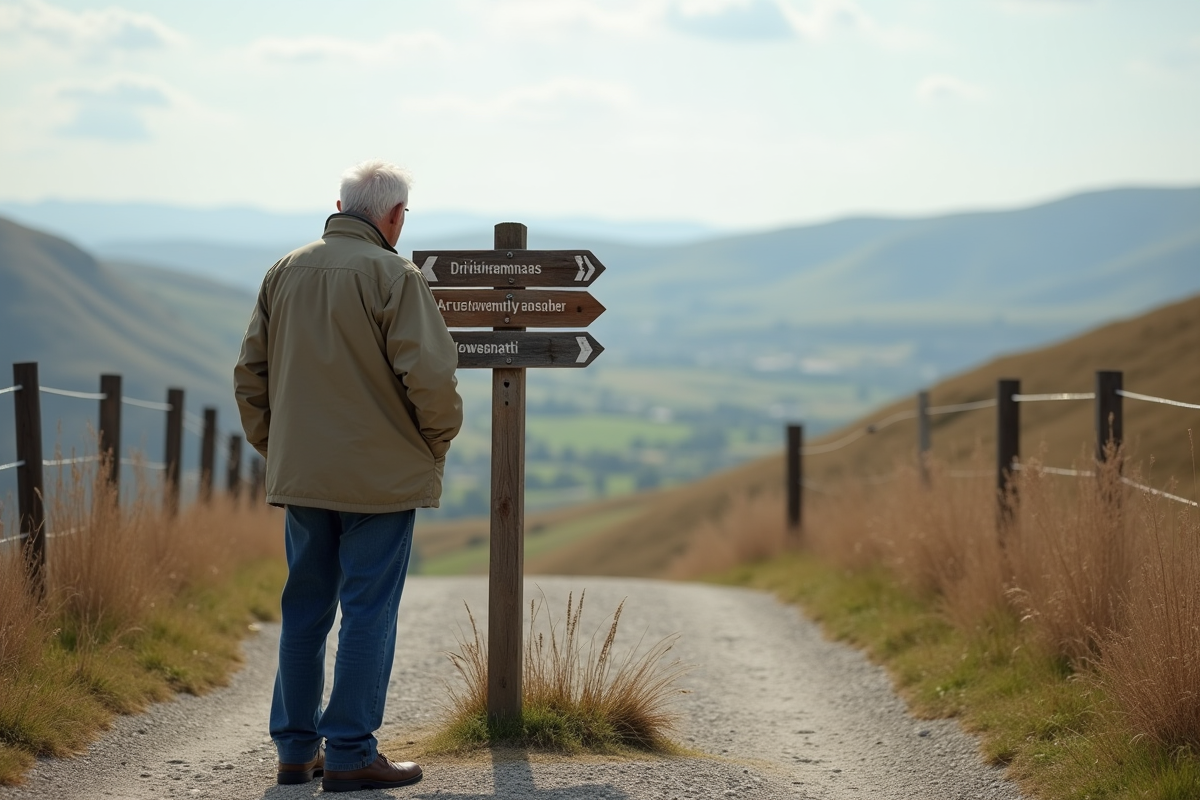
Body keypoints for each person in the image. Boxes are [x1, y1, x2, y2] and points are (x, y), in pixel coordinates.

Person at [234, 159, 462, 792]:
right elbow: (434, 381)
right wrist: (432, 447)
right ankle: (352, 754)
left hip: (303, 476)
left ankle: (295, 752)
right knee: (367, 613)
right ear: (393, 217)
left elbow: (249, 376)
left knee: (304, 609)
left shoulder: (284, 271)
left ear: (341, 205)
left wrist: (280, 451)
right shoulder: (396, 275)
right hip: (380, 483)